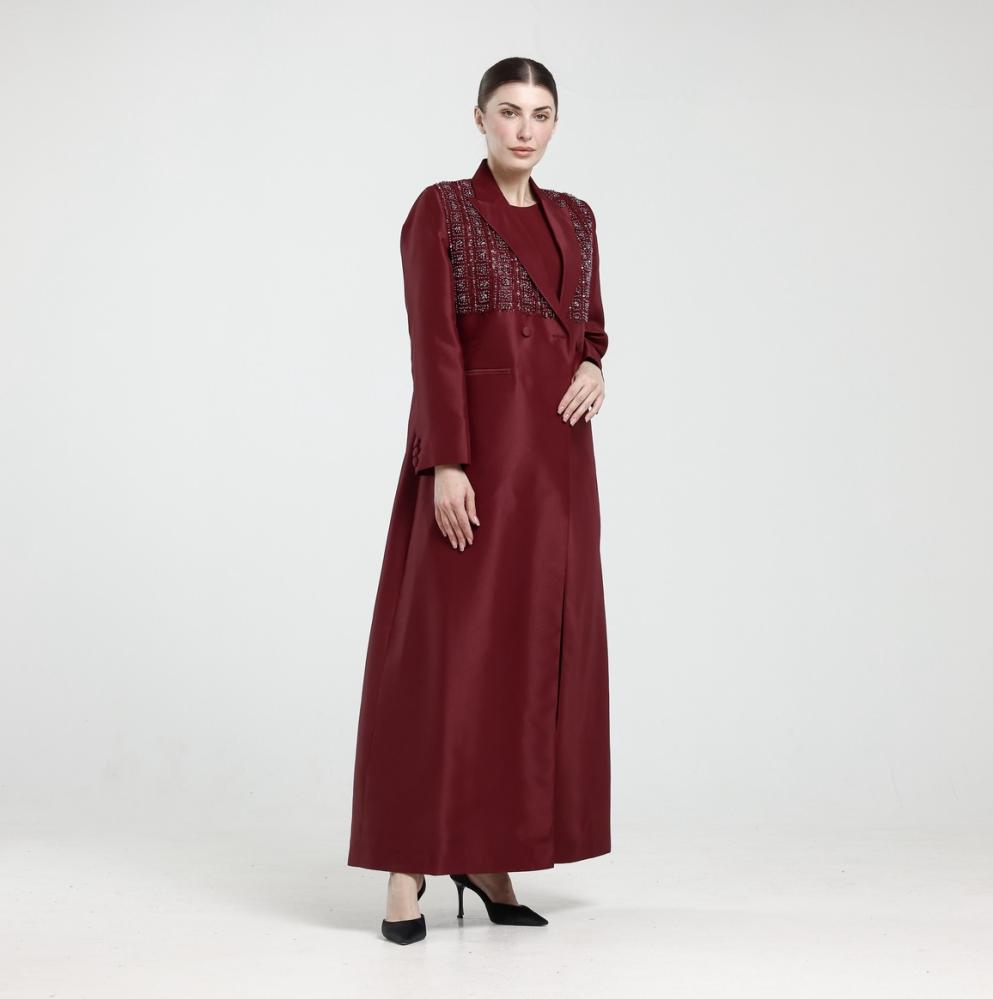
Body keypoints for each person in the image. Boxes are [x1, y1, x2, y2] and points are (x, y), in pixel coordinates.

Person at [347, 56, 611, 946]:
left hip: (558, 470)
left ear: (554, 124)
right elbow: (432, 343)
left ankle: (489, 854)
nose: (523, 129)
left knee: (528, 659)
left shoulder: (576, 217)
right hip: (475, 463)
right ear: (479, 118)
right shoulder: (442, 209)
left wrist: (592, 364)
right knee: (447, 660)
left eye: (539, 114)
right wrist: (447, 463)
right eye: (507, 111)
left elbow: (589, 326)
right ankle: (407, 865)